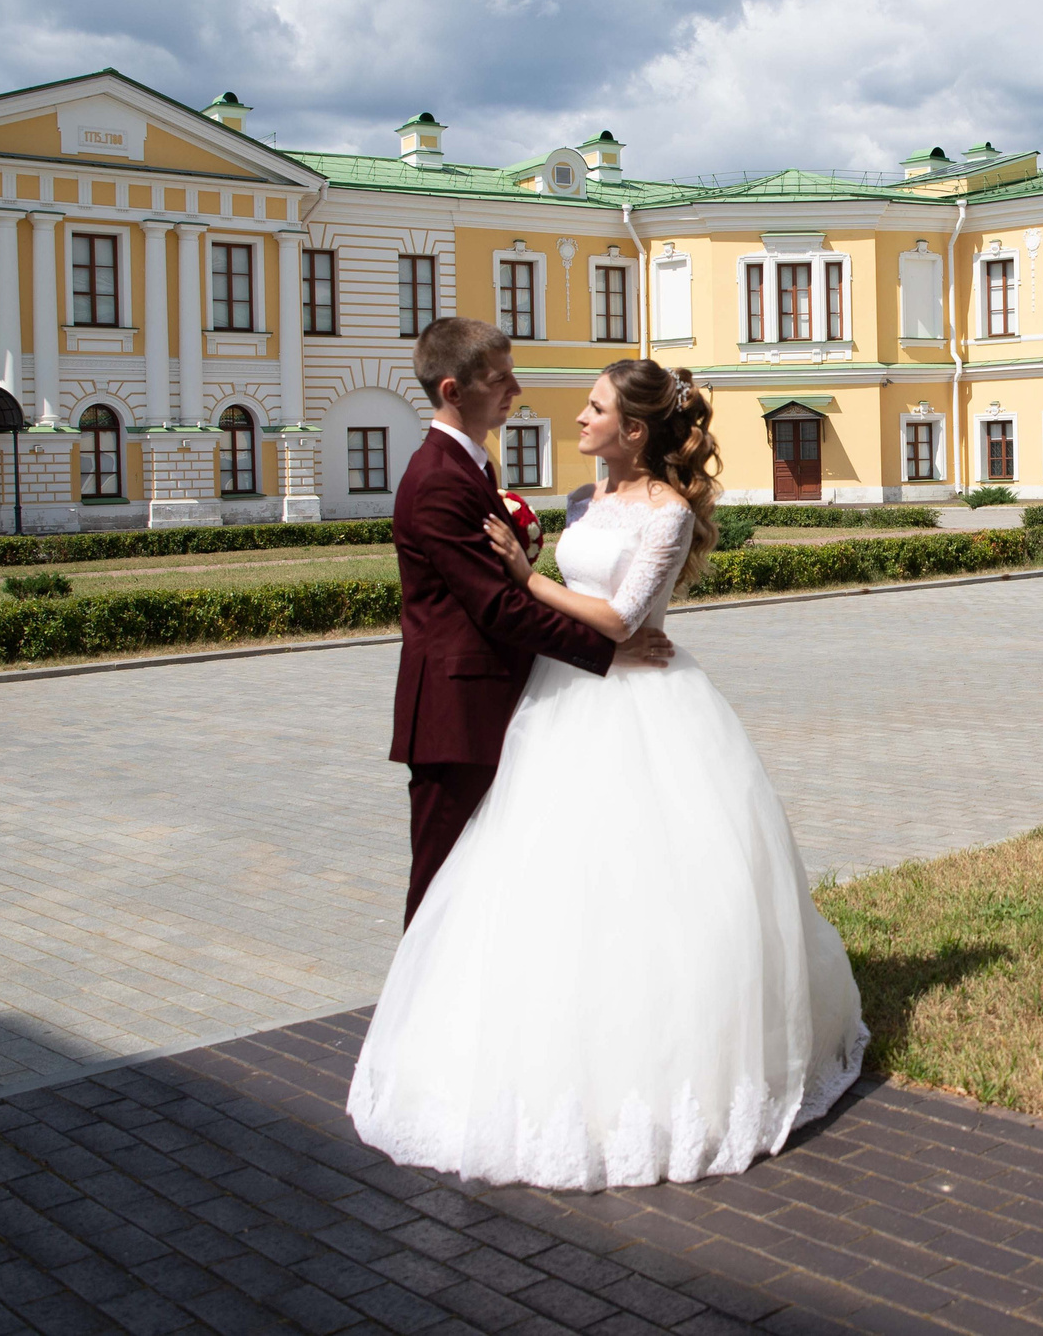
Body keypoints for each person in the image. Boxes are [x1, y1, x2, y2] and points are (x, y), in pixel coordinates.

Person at [348, 359, 867, 1190]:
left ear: (634, 431)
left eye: (595, 409)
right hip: (558, 700)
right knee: (545, 883)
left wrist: (526, 574)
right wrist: (533, 558)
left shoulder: (666, 513)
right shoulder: (583, 500)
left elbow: (624, 617)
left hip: (643, 703)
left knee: (645, 882)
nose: (578, 417)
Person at [386, 317, 671, 928]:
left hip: (502, 702)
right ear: (452, 391)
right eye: (500, 379)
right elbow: (496, 606)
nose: (515, 388)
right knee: (440, 885)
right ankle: (423, 1019)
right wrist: (608, 652)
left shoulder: (472, 466)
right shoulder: (438, 478)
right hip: (454, 715)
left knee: (488, 878)